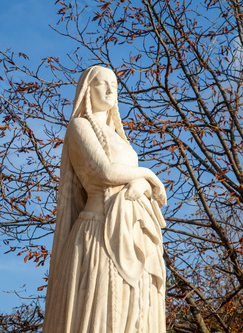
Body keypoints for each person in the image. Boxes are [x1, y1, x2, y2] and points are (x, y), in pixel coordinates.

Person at [42, 66, 167, 333]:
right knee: (103, 313)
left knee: (134, 315)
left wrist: (140, 182)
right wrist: (148, 175)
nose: (111, 89)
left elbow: (124, 177)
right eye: (102, 84)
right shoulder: (79, 126)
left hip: (132, 232)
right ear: (88, 89)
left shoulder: (119, 137)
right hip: (99, 233)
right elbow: (106, 172)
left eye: (115, 84)